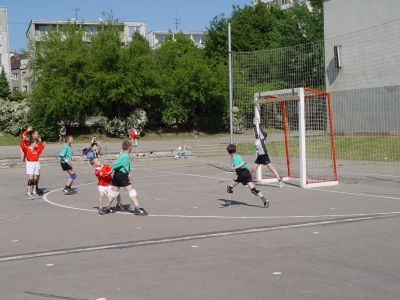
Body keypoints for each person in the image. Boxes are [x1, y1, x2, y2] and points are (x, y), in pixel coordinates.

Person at [221, 144, 269, 208]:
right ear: (235, 150)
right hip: (247, 172)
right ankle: (264, 199)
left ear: (228, 152)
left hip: (241, 173)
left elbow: (243, 163)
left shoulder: (234, 157)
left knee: (229, 187)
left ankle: (228, 202)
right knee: (253, 190)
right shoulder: (237, 156)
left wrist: (234, 168)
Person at [107, 140, 147, 215]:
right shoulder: (125, 156)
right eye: (131, 146)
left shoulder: (121, 154)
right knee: (132, 192)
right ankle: (138, 208)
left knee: (113, 192)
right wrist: (110, 170)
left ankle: (107, 207)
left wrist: (128, 173)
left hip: (117, 175)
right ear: (129, 147)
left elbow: (123, 165)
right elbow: (115, 164)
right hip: (122, 176)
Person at [251, 117, 284, 188]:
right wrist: (254, 123)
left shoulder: (262, 138)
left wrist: (259, 123)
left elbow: (259, 130)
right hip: (259, 156)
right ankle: (252, 182)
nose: (259, 134)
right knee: (253, 169)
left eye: (261, 134)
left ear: (263, 136)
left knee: (271, 169)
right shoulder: (257, 138)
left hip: (264, 156)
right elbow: (256, 131)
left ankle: (280, 180)